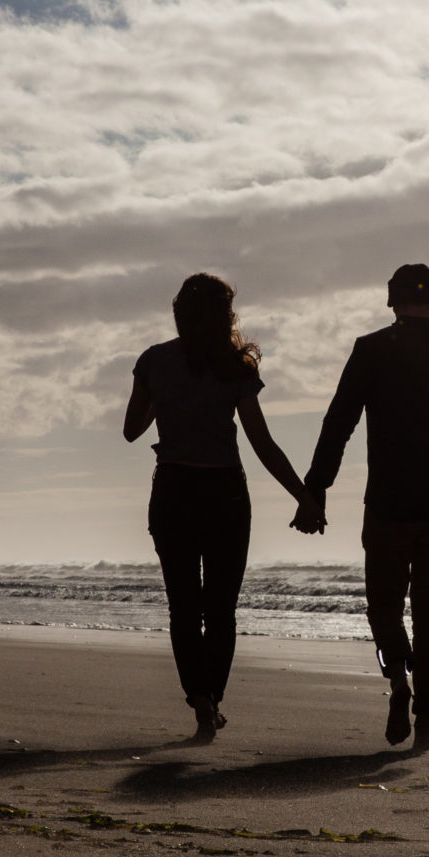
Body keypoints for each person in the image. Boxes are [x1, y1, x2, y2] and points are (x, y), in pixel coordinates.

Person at [295, 264, 429, 752]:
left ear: (391, 302)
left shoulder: (372, 352)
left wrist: (316, 488)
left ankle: (399, 678)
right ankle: (425, 722)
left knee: (384, 609)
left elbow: (337, 423)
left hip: (386, 506)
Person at [124, 273, 313, 743]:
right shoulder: (235, 368)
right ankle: (214, 697)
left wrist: (163, 398)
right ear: (225, 314)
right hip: (225, 493)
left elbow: (131, 430)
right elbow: (262, 443)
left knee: (184, 606)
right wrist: (303, 494)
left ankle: (199, 698)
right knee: (221, 607)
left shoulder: (154, 361)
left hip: (174, 490)